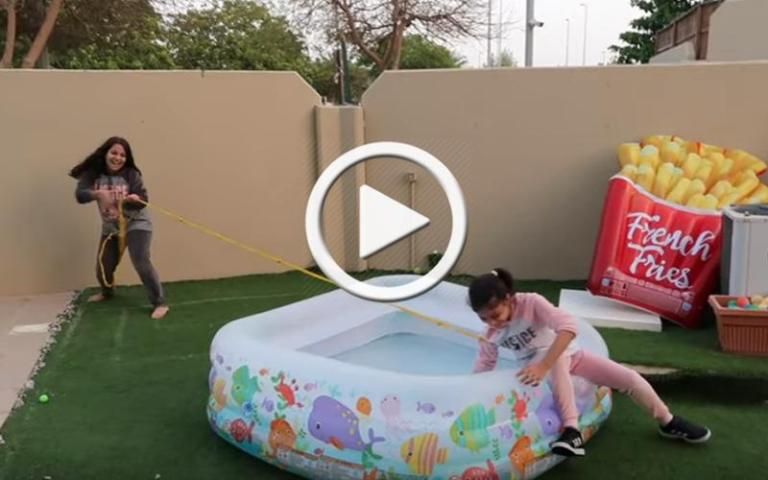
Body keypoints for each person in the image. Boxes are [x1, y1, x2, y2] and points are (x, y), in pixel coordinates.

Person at [469, 268, 710, 457]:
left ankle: (668, 421)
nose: (492, 323)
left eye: (495, 315)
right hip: (541, 375)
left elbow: (569, 328)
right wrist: (471, 396)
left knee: (629, 379)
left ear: (509, 299)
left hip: (567, 358)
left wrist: (544, 365)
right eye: (484, 319)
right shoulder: (491, 334)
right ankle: (572, 430)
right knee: (556, 359)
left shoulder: (531, 303)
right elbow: (484, 366)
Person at [69, 136, 169, 320]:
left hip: (137, 223)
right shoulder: (93, 174)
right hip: (111, 228)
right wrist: (97, 194)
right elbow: (80, 195)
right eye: (114, 153)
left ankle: (159, 302)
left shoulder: (131, 174)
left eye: (123, 155)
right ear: (105, 153)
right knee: (103, 267)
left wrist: (134, 199)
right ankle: (107, 292)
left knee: (140, 260)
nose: (118, 158)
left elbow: (143, 200)